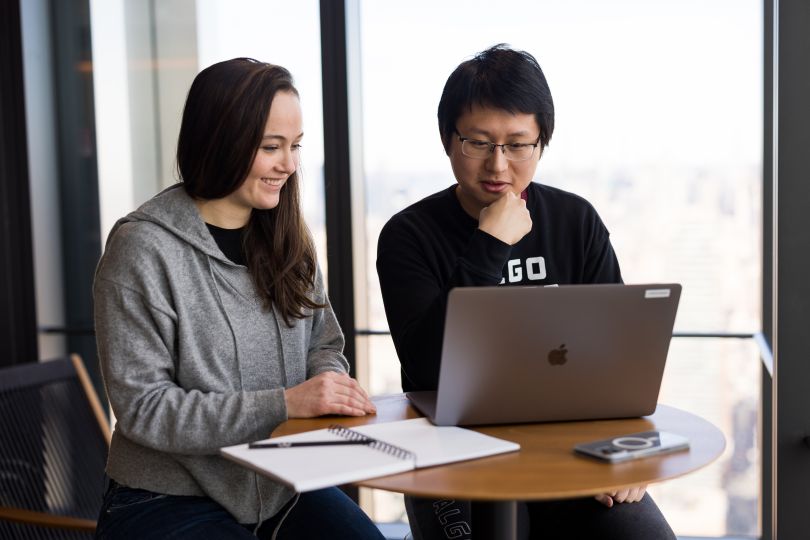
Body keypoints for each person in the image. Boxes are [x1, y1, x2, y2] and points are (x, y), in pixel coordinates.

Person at [376, 44, 677, 540]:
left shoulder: (574, 221)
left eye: (518, 145)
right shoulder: (409, 235)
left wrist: (628, 453)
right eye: (479, 142)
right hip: (448, 454)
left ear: (541, 145)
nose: (498, 165)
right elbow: (430, 369)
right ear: (448, 140)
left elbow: (619, 364)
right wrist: (489, 244)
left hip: (570, 450)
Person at [93, 58, 383, 539]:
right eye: (272, 147)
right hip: (165, 499)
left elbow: (323, 344)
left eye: (295, 147)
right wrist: (285, 404)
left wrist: (328, 384)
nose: (289, 165)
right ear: (221, 141)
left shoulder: (287, 236)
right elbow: (145, 408)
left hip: (280, 485)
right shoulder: (143, 249)